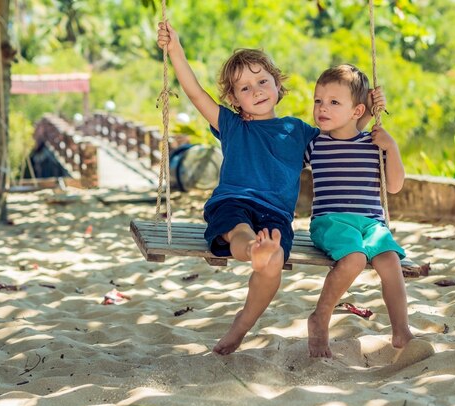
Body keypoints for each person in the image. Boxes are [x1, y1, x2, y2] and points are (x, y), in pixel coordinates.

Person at [157, 22, 330, 355]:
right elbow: (194, 92)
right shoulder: (232, 125)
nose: (257, 91)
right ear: (234, 99)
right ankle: (251, 249)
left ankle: (243, 323)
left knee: (275, 259)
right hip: (233, 201)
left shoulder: (298, 130)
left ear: (278, 86)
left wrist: (363, 114)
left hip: (277, 214)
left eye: (263, 81)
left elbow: (340, 139)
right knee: (238, 231)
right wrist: (174, 49)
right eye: (245, 88)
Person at [305, 64, 414, 358]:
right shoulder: (314, 143)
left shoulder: (374, 143)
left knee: (390, 262)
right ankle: (320, 317)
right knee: (354, 258)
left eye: (333, 102)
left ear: (356, 111)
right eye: (318, 101)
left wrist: (392, 147)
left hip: (371, 224)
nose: (322, 108)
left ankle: (401, 330)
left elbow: (394, 186)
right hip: (330, 221)